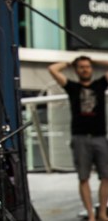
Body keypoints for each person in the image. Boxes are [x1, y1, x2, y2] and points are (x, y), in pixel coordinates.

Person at [49, 56, 108, 221]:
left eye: (87, 66)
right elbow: (52, 69)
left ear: (92, 68)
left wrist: (94, 60)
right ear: (76, 70)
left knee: (106, 176)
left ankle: (102, 213)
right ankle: (91, 215)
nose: (85, 69)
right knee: (83, 177)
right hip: (80, 137)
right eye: (81, 67)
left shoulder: (100, 85)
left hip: (100, 137)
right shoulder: (72, 87)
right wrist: (69, 62)